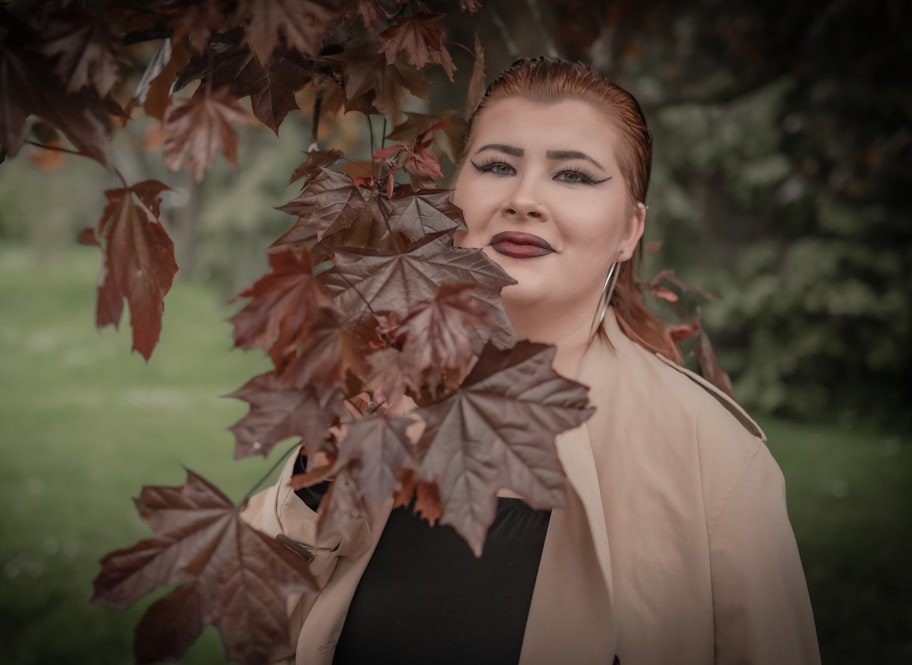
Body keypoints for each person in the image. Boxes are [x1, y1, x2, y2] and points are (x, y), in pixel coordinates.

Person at [243, 57, 820, 665]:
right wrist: (319, 478)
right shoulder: (376, 397)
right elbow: (255, 632)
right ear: (454, 197)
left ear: (629, 230)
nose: (523, 198)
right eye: (496, 166)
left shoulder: (715, 460)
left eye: (572, 175)